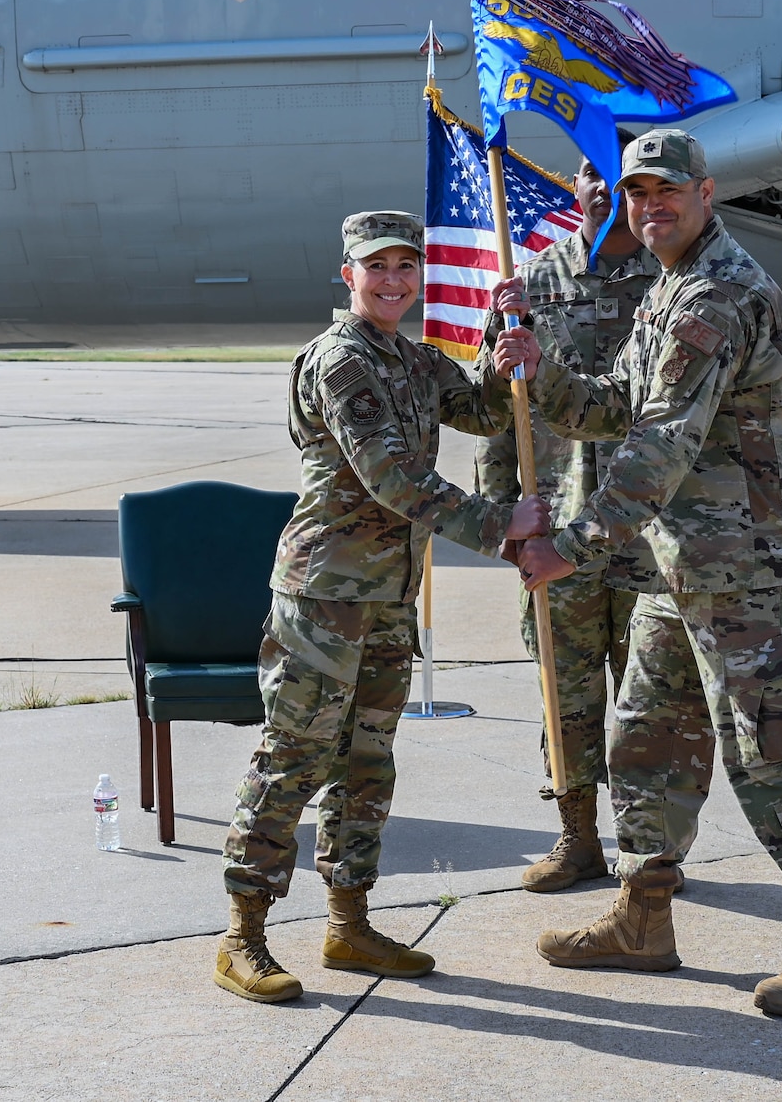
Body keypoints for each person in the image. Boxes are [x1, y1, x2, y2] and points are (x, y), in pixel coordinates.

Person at [492, 129, 782, 1019]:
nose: (649, 206)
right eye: (636, 193)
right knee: (646, 738)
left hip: (756, 574)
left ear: (705, 194)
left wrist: (572, 544)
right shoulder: (669, 290)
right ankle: (642, 915)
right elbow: (619, 404)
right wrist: (542, 376)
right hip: (683, 567)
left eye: (666, 190)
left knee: (777, 758)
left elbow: (657, 446)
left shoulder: (715, 298)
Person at [216, 210, 549, 1005]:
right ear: (349, 276)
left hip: (389, 595)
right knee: (294, 756)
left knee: (367, 762)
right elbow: (393, 478)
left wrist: (508, 352)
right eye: (378, 267)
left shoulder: (411, 359)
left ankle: (348, 923)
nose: (394, 280)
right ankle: (243, 934)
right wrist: (501, 526)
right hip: (325, 595)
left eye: (406, 266)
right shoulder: (342, 363)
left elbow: (485, 411)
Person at [474, 156, 659, 893]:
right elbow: (497, 411)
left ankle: (649, 854)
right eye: (589, 168)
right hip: (557, 527)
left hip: (653, 531)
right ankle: (578, 838)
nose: (602, 184)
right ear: (574, 184)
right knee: (566, 691)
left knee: (651, 702)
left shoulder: (671, 281)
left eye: (619, 172)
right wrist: (503, 518)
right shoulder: (531, 285)